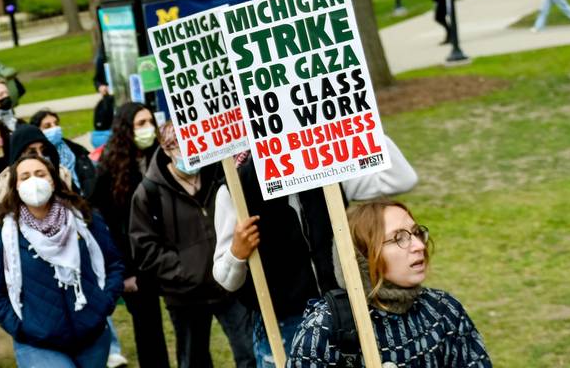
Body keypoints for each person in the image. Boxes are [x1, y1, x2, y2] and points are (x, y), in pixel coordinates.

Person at [213, 135, 417, 368]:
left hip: (344, 314)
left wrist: (362, 124)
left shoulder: (327, 167)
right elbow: (225, 279)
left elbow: (400, 179)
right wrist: (236, 254)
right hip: (283, 327)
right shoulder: (236, 189)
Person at [288, 199, 492, 367]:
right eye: (399, 238)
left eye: (416, 233)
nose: (419, 246)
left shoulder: (443, 310)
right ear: (363, 256)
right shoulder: (323, 329)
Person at [129, 123, 257, 368]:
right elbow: (145, 249)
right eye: (179, 147)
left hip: (229, 289)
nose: (188, 153)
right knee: (194, 360)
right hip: (185, 297)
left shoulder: (218, 175)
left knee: (249, 353)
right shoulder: (148, 192)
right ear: (166, 149)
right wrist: (187, 271)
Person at [0, 154, 125, 367]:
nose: (34, 181)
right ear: (15, 187)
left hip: (92, 337)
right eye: (25, 177)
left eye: (40, 174)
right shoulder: (1, 239)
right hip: (38, 344)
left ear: (54, 180)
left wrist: (104, 303)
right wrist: (22, 326)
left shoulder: (85, 220)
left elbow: (113, 264)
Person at [89, 103, 169, 368]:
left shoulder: (162, 157)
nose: (148, 129)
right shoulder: (110, 170)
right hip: (135, 263)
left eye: (150, 122)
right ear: (126, 129)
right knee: (149, 332)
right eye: (140, 124)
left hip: (168, 254)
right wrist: (124, 272)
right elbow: (107, 226)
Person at [32, 109, 97, 198]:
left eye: (56, 124)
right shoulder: (38, 157)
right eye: (47, 126)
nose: (55, 128)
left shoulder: (75, 148)